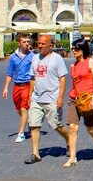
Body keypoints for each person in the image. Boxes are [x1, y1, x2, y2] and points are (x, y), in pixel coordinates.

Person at [25, 34, 70, 164]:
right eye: (39, 43)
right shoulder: (34, 58)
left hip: (52, 98)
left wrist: (60, 97)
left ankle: (68, 140)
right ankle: (35, 154)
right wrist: (30, 96)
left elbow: (62, 78)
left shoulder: (57, 59)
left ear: (50, 46)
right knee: (34, 125)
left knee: (56, 125)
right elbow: (32, 78)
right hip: (37, 98)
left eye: (43, 44)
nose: (40, 46)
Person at [63, 40, 93, 167]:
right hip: (74, 99)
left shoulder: (91, 62)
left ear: (83, 49)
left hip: (88, 99)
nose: (74, 51)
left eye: (76, 49)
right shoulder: (73, 65)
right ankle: (72, 157)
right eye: (73, 49)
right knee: (72, 127)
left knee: (90, 128)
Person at [2, 35, 34, 143]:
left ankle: (21, 133)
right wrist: (6, 87)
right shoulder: (13, 57)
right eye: (24, 42)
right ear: (19, 43)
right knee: (18, 109)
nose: (26, 43)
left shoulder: (32, 56)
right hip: (17, 85)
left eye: (27, 41)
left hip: (27, 85)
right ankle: (28, 121)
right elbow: (10, 73)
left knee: (24, 108)